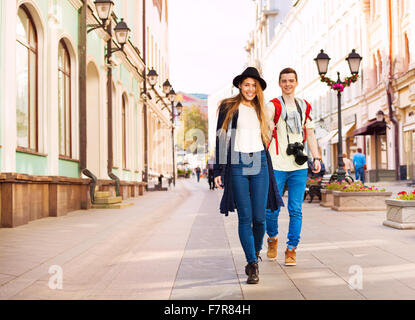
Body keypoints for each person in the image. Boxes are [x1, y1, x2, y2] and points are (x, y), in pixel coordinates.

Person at [213, 67, 284, 285]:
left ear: (258, 88)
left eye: (254, 85)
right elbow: (222, 138)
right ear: (240, 86)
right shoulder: (228, 107)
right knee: (245, 217)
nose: (250, 89)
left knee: (260, 217)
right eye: (246, 84)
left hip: (260, 161)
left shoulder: (263, 109)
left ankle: (255, 251)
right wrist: (218, 169)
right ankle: (252, 262)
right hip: (237, 162)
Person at [265, 68, 321, 266]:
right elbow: (263, 125)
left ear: (296, 82)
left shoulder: (305, 106)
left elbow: (311, 134)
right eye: (284, 81)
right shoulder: (273, 105)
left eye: (291, 80)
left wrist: (317, 157)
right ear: (279, 83)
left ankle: (291, 249)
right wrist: (268, 126)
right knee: (271, 209)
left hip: (299, 165)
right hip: (277, 164)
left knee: (295, 209)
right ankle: (272, 237)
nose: (288, 84)